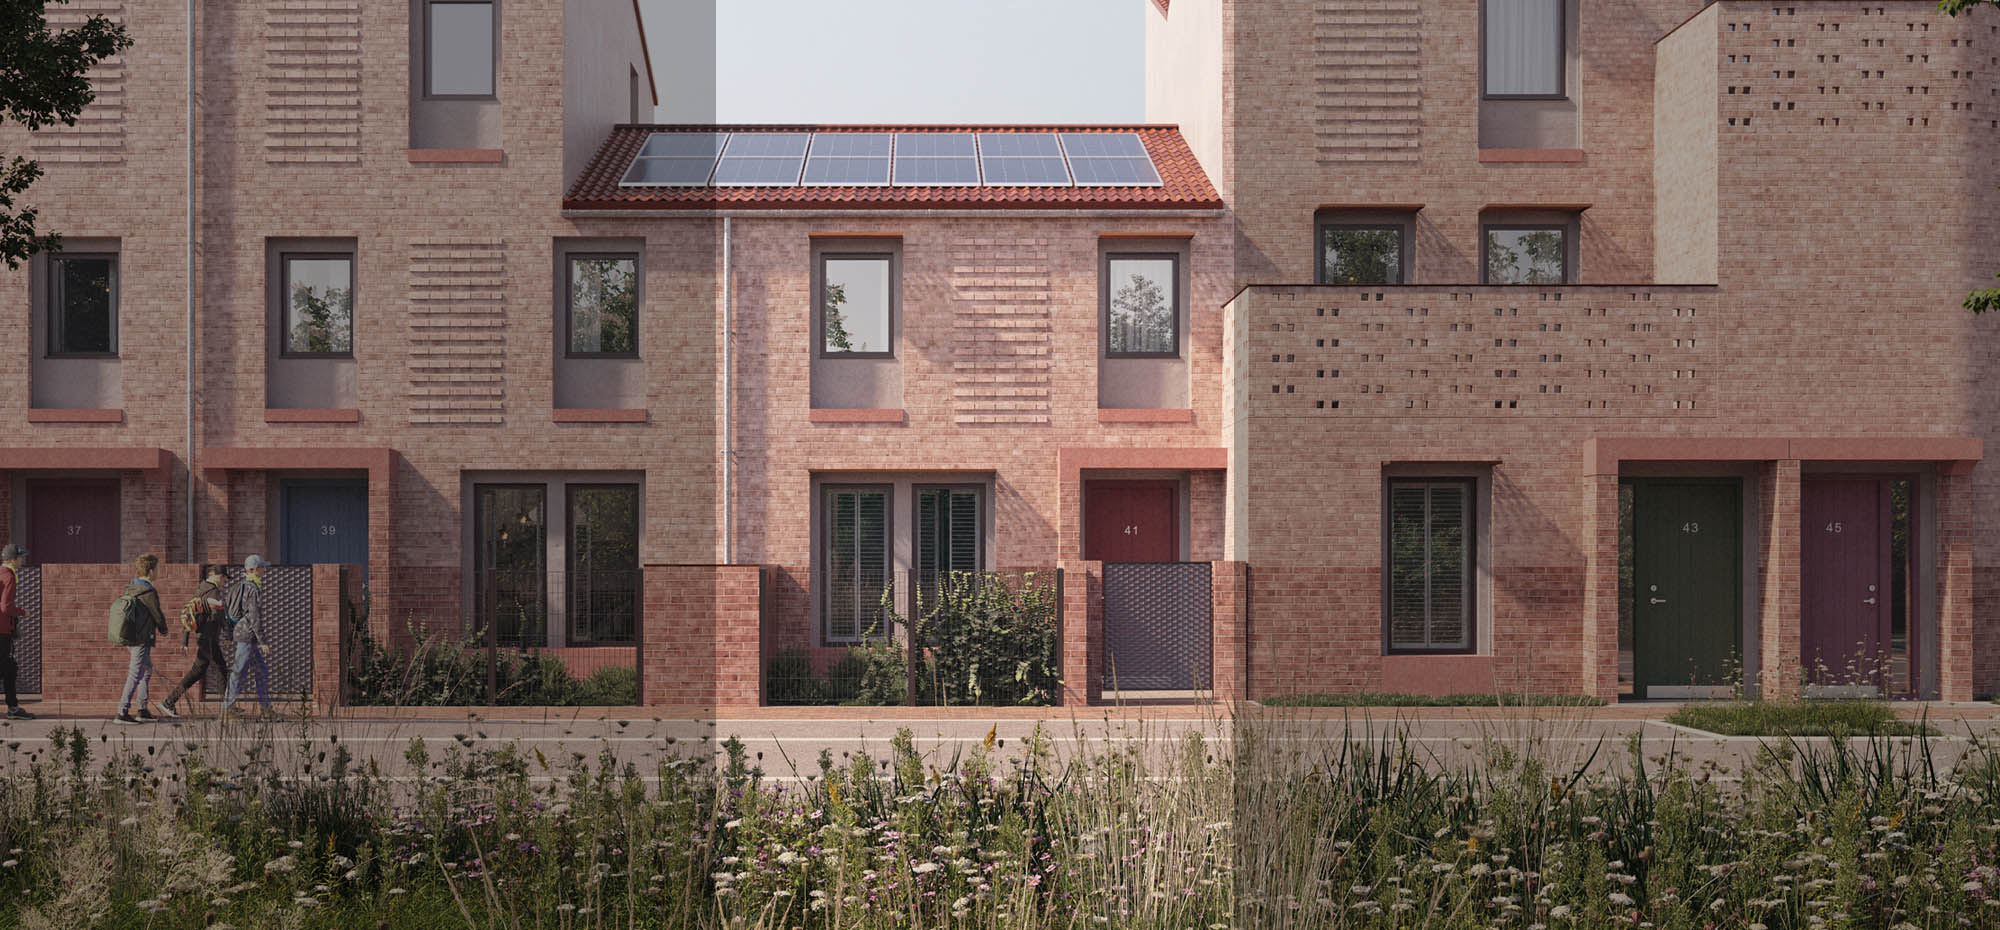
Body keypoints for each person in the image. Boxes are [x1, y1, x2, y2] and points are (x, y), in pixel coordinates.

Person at [160, 563, 231, 718]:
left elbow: (190, 613)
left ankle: (169, 701)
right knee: (221, 668)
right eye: (224, 579)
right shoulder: (213, 592)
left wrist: (184, 640)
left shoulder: (200, 589)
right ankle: (228, 707)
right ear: (218, 576)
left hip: (202, 637)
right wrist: (228, 635)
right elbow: (218, 616)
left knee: (196, 672)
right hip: (208, 637)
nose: (224, 582)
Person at [114, 553, 170, 725]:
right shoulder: (148, 591)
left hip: (130, 636)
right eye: (157, 568)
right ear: (151, 570)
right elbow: (157, 613)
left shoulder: (131, 586)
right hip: (141, 638)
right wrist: (163, 629)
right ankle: (122, 712)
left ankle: (142, 710)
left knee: (145, 671)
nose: (159, 572)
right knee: (135, 673)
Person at [220, 555, 273, 718]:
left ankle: (266, 709)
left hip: (242, 633)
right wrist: (262, 640)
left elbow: (228, 611)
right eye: (262, 567)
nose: (264, 570)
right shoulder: (252, 588)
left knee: (261, 671)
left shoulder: (239, 586)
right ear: (254, 569)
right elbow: (254, 616)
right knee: (239, 671)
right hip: (248, 636)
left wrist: (229, 635)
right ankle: (227, 708)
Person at [0, 545, 33, 720]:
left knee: (9, 669)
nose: (22, 560)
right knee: (7, 668)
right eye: (20, 557)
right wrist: (23, 612)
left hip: (3, 630)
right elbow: (6, 607)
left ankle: (13, 707)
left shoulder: (1, 573)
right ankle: (12, 708)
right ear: (12, 560)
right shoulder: (9, 576)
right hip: (2, 631)